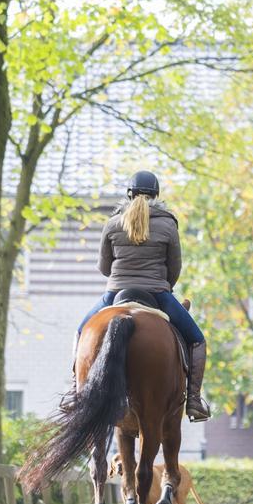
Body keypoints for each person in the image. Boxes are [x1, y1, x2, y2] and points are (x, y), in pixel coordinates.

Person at [77, 170, 211, 422]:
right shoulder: (169, 223)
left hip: (115, 292)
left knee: (81, 331)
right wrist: (163, 285)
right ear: (156, 195)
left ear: (130, 194)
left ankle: (76, 393)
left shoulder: (113, 222)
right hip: (157, 292)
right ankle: (193, 400)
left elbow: (104, 268)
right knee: (196, 339)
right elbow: (175, 267)